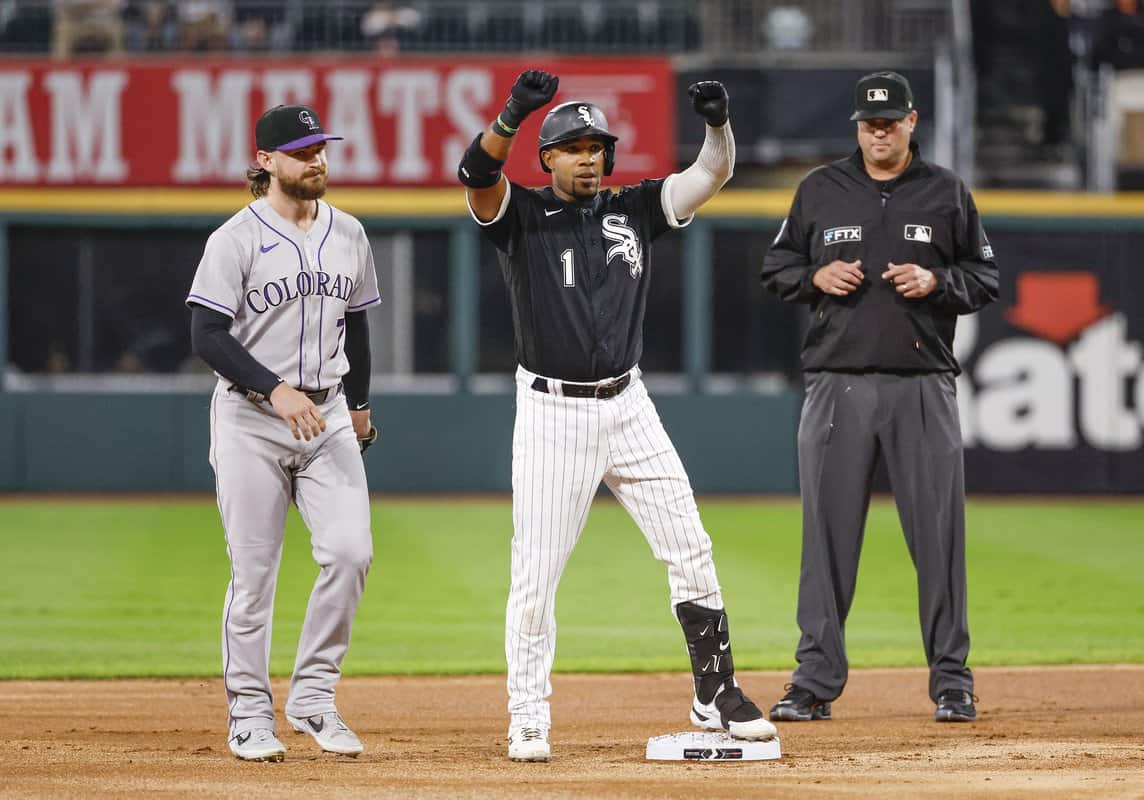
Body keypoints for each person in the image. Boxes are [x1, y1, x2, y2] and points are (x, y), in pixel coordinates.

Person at [459, 69, 777, 762]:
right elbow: (474, 170)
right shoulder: (521, 216)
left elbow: (711, 174)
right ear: (548, 158)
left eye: (597, 146)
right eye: (573, 147)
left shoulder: (634, 206)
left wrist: (717, 123)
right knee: (536, 575)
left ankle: (715, 691)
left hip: (628, 404)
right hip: (553, 412)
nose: (589, 157)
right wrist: (514, 113)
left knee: (689, 546)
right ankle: (528, 714)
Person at [760, 71, 999, 724]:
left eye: (890, 120)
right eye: (870, 122)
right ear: (857, 127)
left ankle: (952, 682)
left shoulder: (945, 191)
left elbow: (985, 277)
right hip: (836, 386)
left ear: (912, 122)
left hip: (922, 387)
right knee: (827, 541)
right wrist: (815, 273)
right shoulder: (820, 190)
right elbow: (775, 269)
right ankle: (813, 683)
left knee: (940, 541)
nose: (879, 131)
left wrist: (938, 279)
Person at [186, 104, 382, 762]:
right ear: (267, 161)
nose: (317, 159)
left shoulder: (350, 232)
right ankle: (248, 712)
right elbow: (206, 334)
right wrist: (274, 388)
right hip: (250, 418)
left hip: (327, 417)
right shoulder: (235, 239)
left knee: (351, 554)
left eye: (322, 147)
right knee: (254, 575)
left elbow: (357, 323)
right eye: (302, 151)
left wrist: (358, 403)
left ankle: (314, 698)